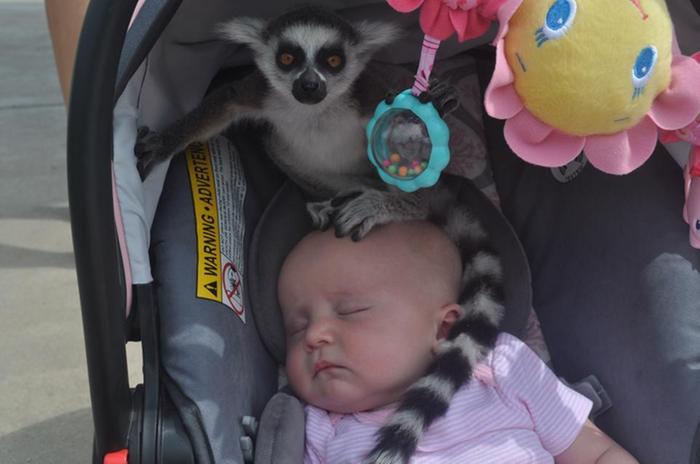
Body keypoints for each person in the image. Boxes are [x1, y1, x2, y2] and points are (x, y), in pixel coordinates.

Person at [277, 221, 638, 463]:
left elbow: (595, 454)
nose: (314, 335)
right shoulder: (321, 428)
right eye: (296, 327)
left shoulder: (498, 367)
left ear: (444, 329)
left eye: (351, 311)